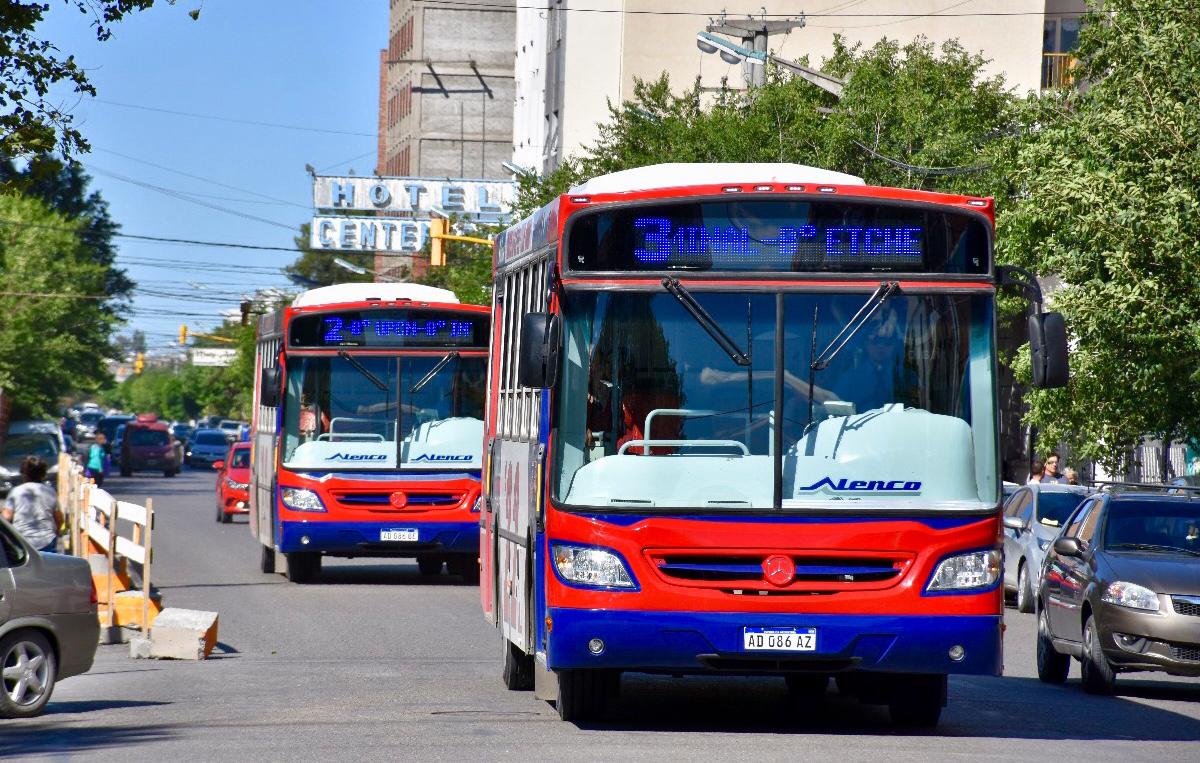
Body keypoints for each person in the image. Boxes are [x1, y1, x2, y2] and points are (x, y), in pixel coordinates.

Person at [2, 457, 63, 554]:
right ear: (43, 474)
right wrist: (58, 531)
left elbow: (6, 517)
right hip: (47, 540)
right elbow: (59, 518)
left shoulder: (16, 492)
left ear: (24, 474)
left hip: (22, 541)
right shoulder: (50, 492)